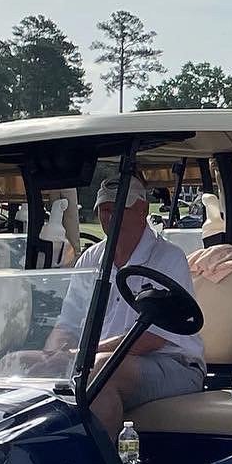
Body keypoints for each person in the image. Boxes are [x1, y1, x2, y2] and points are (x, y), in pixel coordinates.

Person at [40, 177, 205, 442]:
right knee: (18, 364)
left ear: (143, 210)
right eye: (104, 210)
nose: (110, 217)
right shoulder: (92, 258)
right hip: (97, 359)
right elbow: (68, 323)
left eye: (120, 209)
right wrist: (51, 356)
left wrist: (79, 355)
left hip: (174, 364)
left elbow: (152, 337)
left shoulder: (168, 258)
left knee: (100, 373)